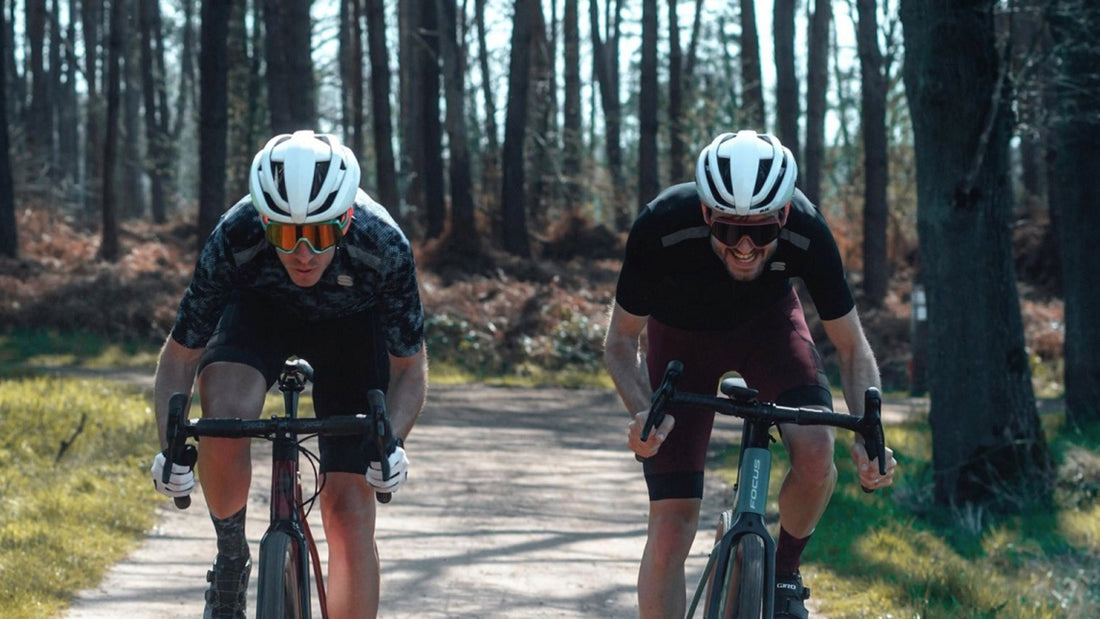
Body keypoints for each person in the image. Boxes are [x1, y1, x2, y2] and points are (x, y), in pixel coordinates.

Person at [604, 130, 897, 619]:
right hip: (680, 339)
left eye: (761, 231)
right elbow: (619, 341)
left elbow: (851, 347)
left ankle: (783, 573)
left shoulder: (807, 228)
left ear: (783, 214)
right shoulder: (661, 225)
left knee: (818, 452)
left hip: (769, 330)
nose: (744, 246)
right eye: (727, 229)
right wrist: (643, 412)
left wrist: (872, 431)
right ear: (704, 214)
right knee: (672, 526)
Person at [149, 130, 428, 619]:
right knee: (225, 416)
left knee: (348, 511)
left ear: (346, 219)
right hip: (259, 316)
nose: (302, 252)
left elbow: (408, 369)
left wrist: (393, 442)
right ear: (263, 221)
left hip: (351, 329)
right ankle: (232, 559)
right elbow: (180, 358)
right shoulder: (235, 235)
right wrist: (170, 447)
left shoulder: (382, 243)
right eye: (284, 233)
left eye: (319, 234)